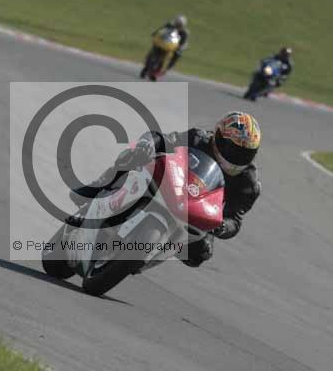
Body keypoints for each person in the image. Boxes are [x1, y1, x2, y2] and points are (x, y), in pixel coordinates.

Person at [70, 111, 262, 268]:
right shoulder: (198, 138)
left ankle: (149, 255)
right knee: (135, 154)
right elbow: (166, 140)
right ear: (218, 136)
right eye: (233, 148)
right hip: (170, 181)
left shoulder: (248, 184)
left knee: (200, 253)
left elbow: (235, 220)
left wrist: (223, 226)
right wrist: (148, 144)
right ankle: (99, 187)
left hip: (198, 209)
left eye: (245, 153)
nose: (237, 156)